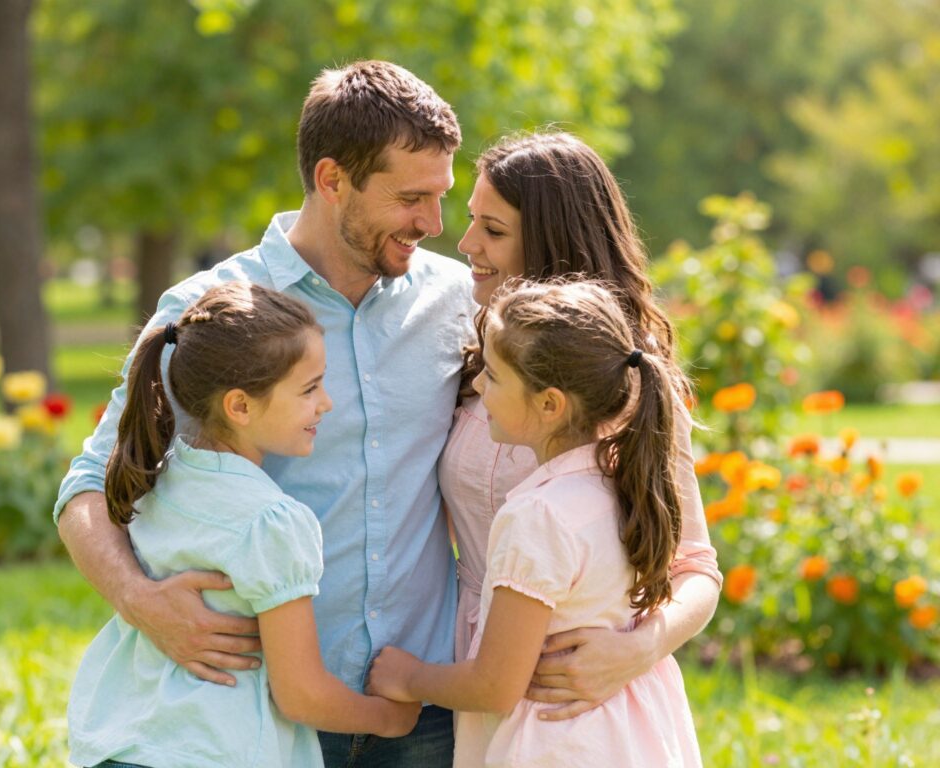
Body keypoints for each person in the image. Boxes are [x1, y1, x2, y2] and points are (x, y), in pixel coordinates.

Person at [55, 61, 472, 766]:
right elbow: (88, 483)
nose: (433, 223)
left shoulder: (460, 300)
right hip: (263, 718)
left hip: (420, 705)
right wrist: (138, 599)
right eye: (410, 198)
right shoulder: (212, 311)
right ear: (333, 179)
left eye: (441, 196)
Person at [68, 282, 421, 768]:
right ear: (240, 406)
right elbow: (300, 695)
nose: (327, 404)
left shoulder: (155, 476)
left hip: (124, 740)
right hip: (216, 750)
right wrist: (388, 718)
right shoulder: (273, 523)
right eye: (309, 388)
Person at [442, 132, 722, 718]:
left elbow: (695, 567)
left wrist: (637, 650)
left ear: (550, 241)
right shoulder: (476, 356)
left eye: (493, 231)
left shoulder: (624, 377)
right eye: (471, 221)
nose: (467, 244)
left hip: (578, 694)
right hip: (469, 668)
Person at [368, 280, 704, 767]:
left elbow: (495, 685)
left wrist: (408, 677)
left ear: (549, 404)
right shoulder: (622, 484)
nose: (478, 387)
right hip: (631, 734)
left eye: (495, 377)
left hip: (553, 743)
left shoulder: (537, 516)